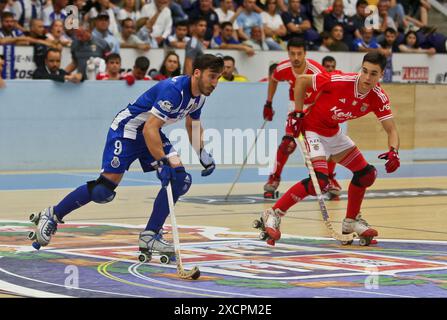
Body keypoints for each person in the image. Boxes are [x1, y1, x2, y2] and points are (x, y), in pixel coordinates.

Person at [28, 54, 224, 259]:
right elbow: (149, 128)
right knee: (103, 189)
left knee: (180, 179)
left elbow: (192, 124)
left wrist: (202, 152)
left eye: (218, 78)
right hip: (128, 129)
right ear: (197, 73)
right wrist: (161, 162)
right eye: (212, 77)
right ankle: (52, 214)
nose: (215, 83)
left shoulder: (200, 96)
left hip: (151, 131)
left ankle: (150, 234)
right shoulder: (174, 91)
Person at [259, 52, 400, 246]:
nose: (367, 78)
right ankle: (273, 214)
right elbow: (301, 81)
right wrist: (297, 114)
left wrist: (394, 151)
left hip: (333, 133)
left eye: (373, 74)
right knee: (320, 180)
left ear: (382, 74)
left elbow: (391, 129)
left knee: (366, 174)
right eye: (365, 71)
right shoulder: (339, 80)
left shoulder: (378, 97)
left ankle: (350, 221)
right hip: (312, 129)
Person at [262, 38, 341, 200]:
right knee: (288, 144)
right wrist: (268, 103)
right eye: (292, 54)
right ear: (288, 53)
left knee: (329, 145)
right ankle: (274, 178)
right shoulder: (282, 68)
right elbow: (274, 80)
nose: (296, 58)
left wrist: (319, 107)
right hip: (295, 106)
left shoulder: (316, 69)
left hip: (316, 106)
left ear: (305, 54)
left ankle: (330, 178)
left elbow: (328, 88)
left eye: (299, 54)